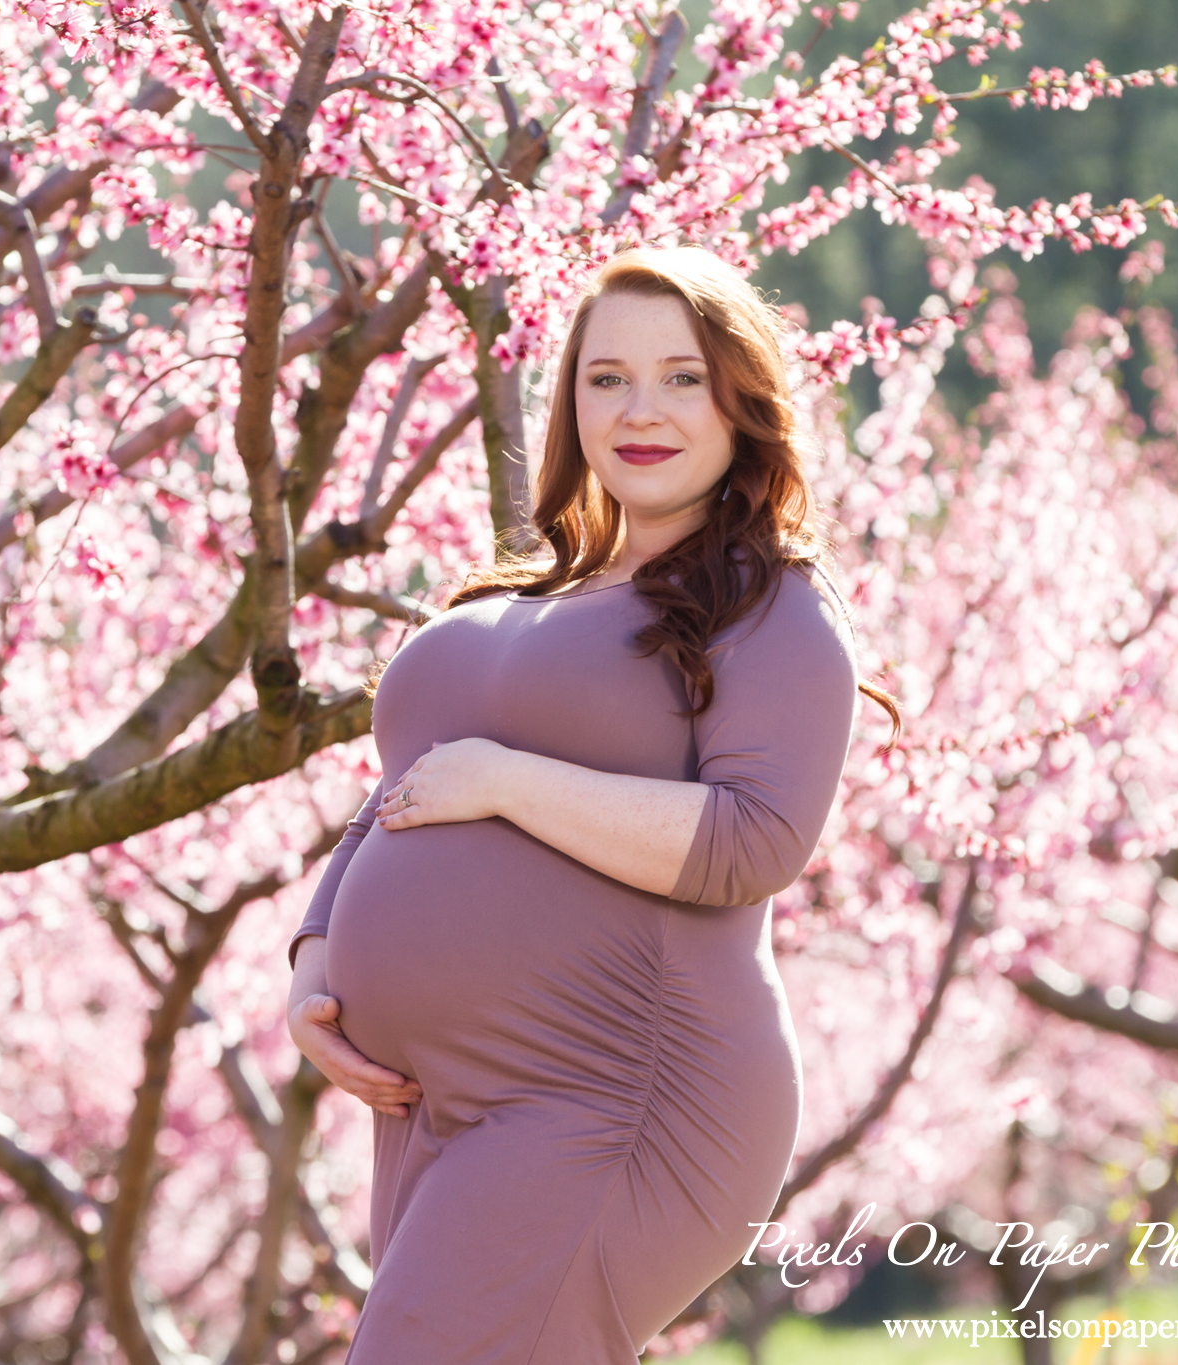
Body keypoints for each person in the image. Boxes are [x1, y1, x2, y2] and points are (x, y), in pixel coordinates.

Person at [285, 245, 900, 1363]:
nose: (640, 409)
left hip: (615, 1091)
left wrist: (511, 784)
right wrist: (315, 958)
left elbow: (751, 840)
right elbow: (400, 790)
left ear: (739, 399)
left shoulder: (768, 605)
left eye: (680, 375)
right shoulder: (519, 592)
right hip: (436, 1104)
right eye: (605, 378)